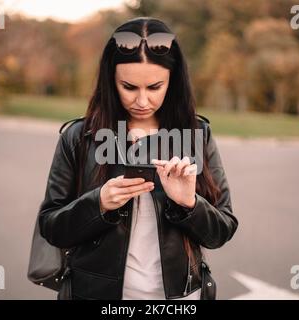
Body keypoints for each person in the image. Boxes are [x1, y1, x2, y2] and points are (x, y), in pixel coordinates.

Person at [38, 17, 238, 300]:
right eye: (129, 87)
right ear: (111, 80)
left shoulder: (197, 134)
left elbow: (221, 230)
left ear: (174, 80)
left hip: (180, 298)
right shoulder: (79, 137)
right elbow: (51, 226)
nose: (142, 101)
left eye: (155, 87)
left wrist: (189, 204)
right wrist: (99, 203)